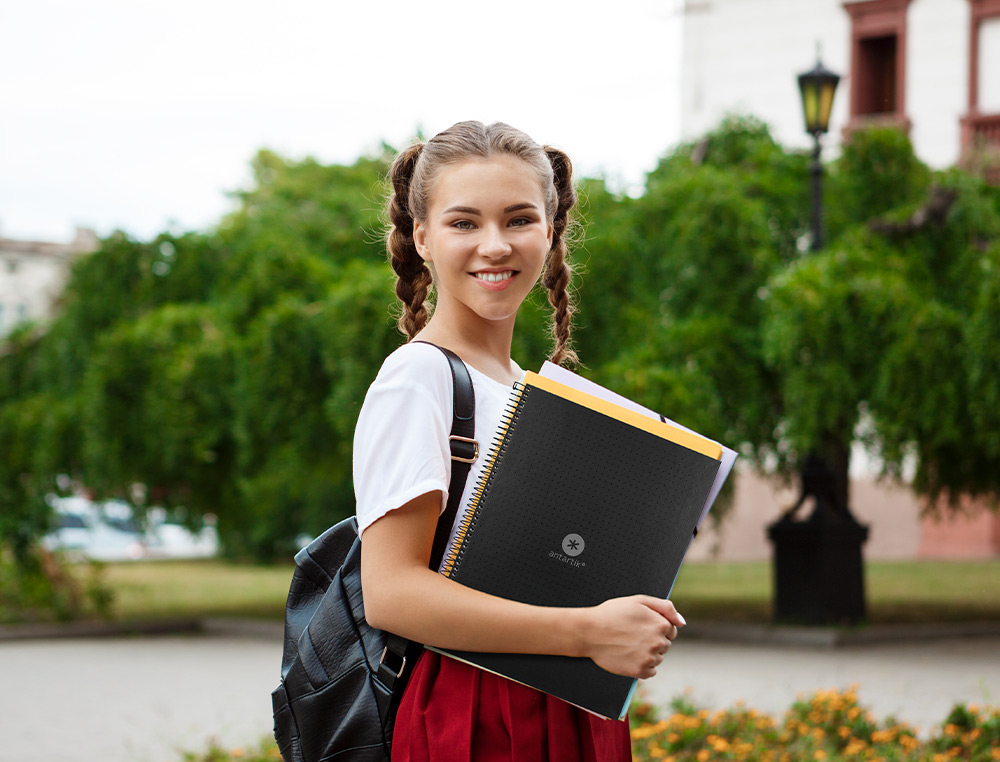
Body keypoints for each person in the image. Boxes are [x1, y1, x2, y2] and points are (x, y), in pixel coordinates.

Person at [354, 120, 686, 762]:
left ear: (552, 229)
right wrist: (588, 631)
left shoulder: (524, 387)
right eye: (463, 223)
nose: (494, 245)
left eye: (518, 219)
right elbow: (391, 594)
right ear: (421, 236)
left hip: (569, 698)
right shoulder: (418, 379)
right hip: (475, 712)